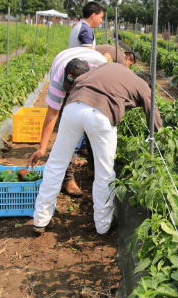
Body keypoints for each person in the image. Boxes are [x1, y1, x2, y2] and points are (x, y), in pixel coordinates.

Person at [32, 62, 162, 235]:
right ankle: (103, 226)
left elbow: (79, 82)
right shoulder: (143, 87)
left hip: (73, 106)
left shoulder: (112, 68)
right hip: (101, 115)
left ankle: (40, 219)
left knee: (56, 163)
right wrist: (161, 140)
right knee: (105, 173)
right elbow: (155, 120)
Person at [26, 48, 110, 196]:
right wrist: (42, 148)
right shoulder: (59, 78)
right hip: (64, 61)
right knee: (67, 128)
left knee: (94, 123)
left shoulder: (102, 73)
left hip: (93, 83)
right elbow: (52, 114)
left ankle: (94, 167)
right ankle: (67, 178)